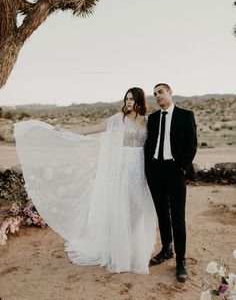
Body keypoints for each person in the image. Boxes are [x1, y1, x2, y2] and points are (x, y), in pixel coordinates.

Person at [14, 87, 157, 274]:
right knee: (122, 209)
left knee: (138, 210)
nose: (128, 102)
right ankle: (120, 252)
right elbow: (91, 130)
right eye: (126, 99)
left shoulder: (147, 122)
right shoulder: (118, 120)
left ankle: (134, 250)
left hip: (140, 171)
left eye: (132, 99)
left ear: (140, 101)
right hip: (122, 171)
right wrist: (65, 131)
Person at [144, 83, 197, 282]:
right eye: (155, 94)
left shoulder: (185, 115)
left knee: (178, 217)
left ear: (170, 93)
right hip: (156, 171)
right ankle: (167, 249)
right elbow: (149, 145)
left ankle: (181, 260)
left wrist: (182, 169)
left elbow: (192, 145)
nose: (157, 96)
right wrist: (149, 168)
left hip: (176, 171)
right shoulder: (153, 118)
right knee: (162, 214)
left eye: (161, 92)